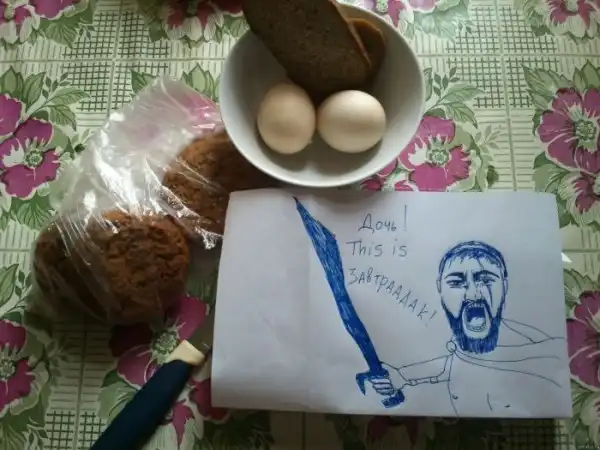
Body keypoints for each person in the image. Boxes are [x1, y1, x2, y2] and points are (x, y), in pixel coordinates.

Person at [369, 240, 566, 416]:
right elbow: (453, 364)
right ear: (440, 289)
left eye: (485, 280)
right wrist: (402, 376)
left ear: (504, 285)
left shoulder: (546, 355)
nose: (473, 294)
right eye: (456, 282)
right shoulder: (461, 351)